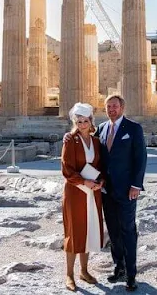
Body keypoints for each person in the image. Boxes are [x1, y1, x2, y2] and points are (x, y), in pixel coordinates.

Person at [97, 95, 147, 292]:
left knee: (128, 231)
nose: (112, 110)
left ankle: (131, 275)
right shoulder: (100, 129)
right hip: (107, 190)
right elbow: (97, 157)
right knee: (113, 231)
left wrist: (136, 185)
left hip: (127, 190)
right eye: (109, 107)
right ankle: (119, 267)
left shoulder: (133, 128)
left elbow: (141, 158)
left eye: (115, 106)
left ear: (122, 108)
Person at [61, 103, 103, 292]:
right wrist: (84, 182)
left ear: (90, 121)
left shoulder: (95, 141)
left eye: (86, 121)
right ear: (75, 122)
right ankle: (69, 274)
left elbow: (100, 165)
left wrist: (101, 181)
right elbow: (67, 169)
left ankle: (84, 271)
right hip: (76, 191)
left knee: (88, 231)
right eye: (79, 121)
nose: (83, 124)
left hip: (92, 191)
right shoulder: (70, 140)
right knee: (74, 232)